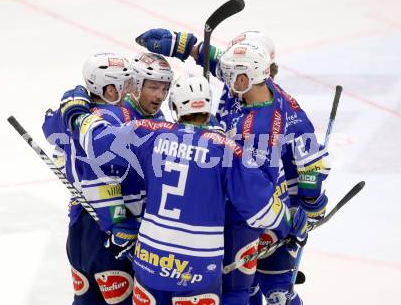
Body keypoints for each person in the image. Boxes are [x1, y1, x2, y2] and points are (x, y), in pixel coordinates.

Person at [58, 75, 309, 305]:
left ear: (176, 108)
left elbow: (98, 140)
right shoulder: (226, 150)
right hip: (198, 268)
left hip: (151, 261)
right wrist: (290, 221)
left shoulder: (150, 134)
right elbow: (261, 209)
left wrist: (76, 113)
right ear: (208, 108)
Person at [136, 29, 330, 305]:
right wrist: (186, 46)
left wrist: (311, 203)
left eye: (229, 73)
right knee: (243, 289)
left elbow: (309, 164)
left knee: (268, 290)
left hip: (260, 214)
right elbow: (219, 63)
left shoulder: (281, 117)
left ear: (246, 76)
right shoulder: (246, 90)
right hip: (241, 209)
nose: (222, 77)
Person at [42, 51, 173, 305]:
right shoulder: (115, 117)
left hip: (91, 228)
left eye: (165, 88)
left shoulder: (146, 118)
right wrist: (117, 219)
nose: (159, 95)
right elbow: (100, 178)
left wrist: (70, 107)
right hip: (105, 232)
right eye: (152, 86)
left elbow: (52, 130)